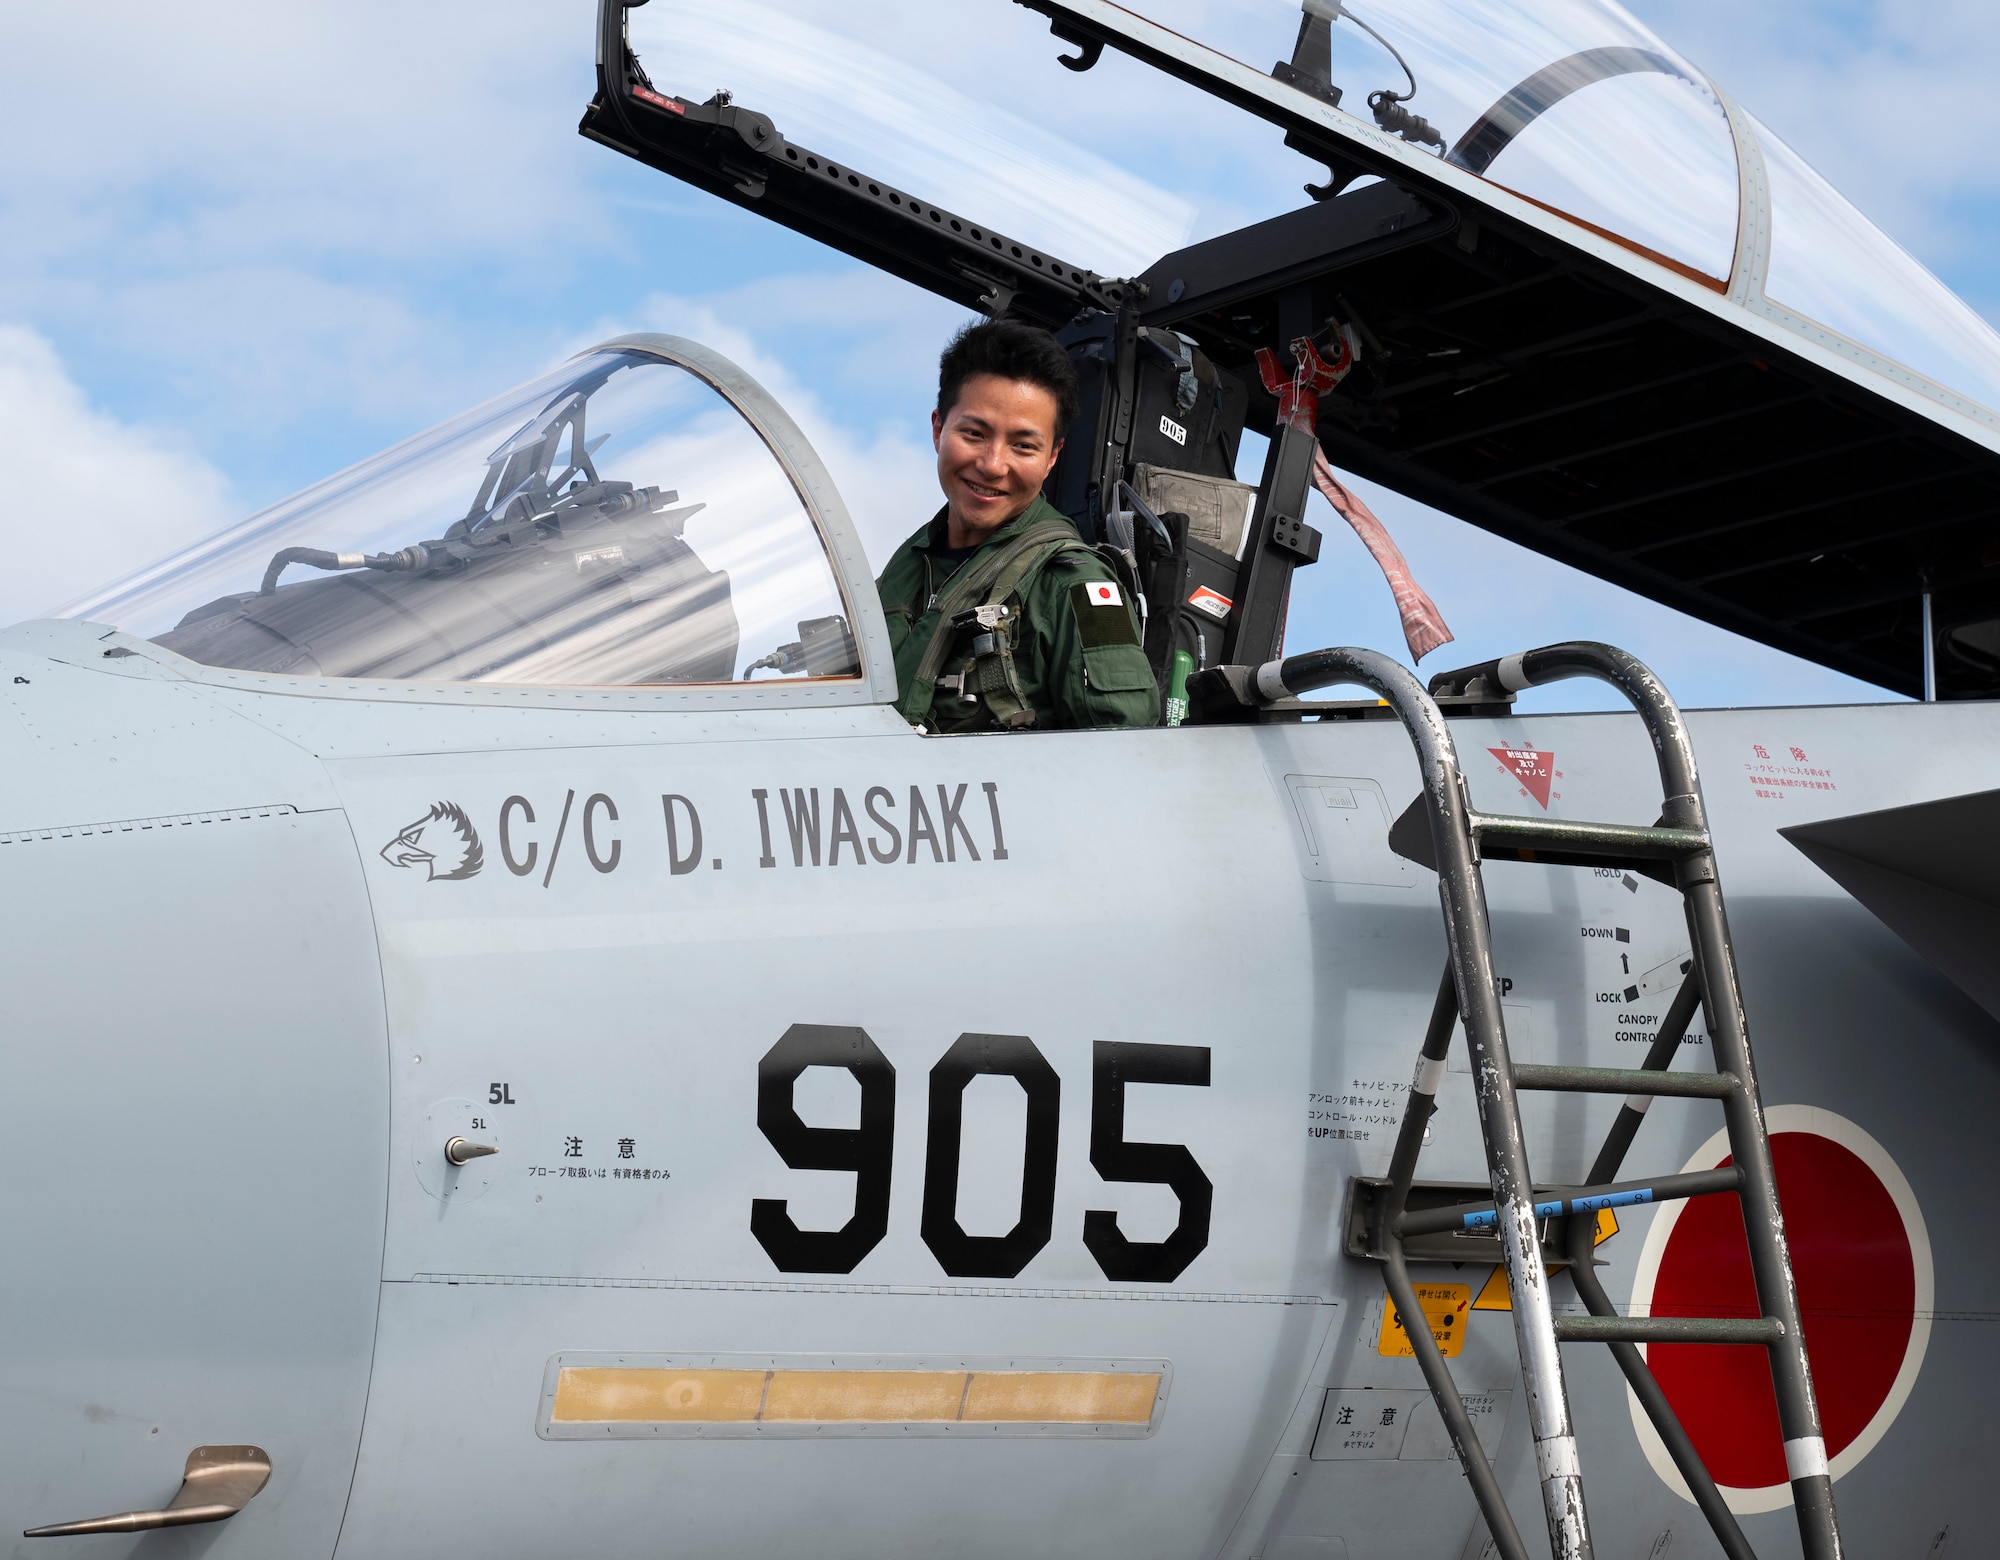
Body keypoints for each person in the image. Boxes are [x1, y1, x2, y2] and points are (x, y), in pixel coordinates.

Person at [877, 320, 1160, 732]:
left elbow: (1125, 755)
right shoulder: (907, 565)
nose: (993, 465)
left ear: (1052, 456)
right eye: (974, 434)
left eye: (1023, 446)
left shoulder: (1073, 583)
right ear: (938, 428)